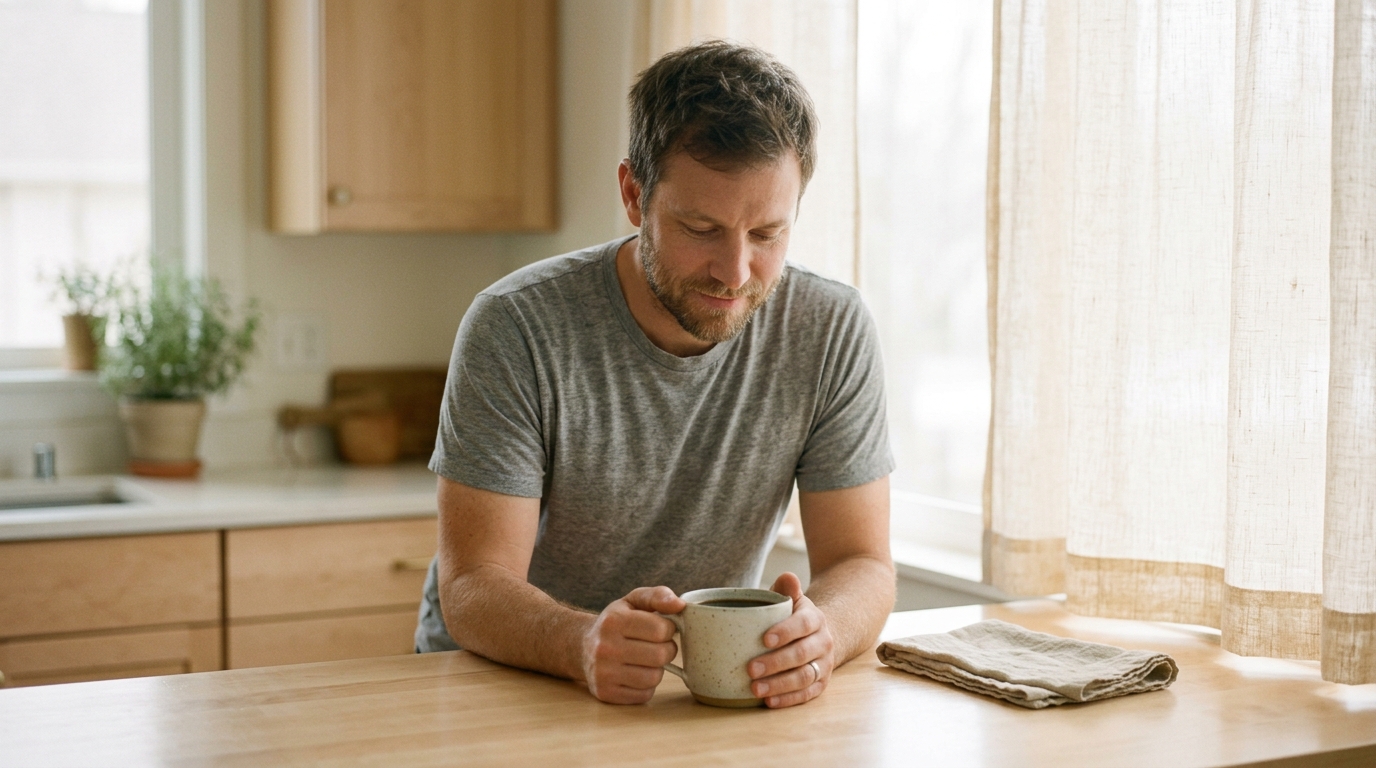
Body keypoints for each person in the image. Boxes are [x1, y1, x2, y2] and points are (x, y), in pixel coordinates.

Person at [415, 41, 895, 710]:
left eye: (767, 234)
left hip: (697, 693)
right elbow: (472, 586)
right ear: (634, 195)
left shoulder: (829, 327)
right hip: (504, 682)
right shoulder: (516, 324)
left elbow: (861, 564)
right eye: (701, 227)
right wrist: (580, 643)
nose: (734, 272)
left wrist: (825, 635)